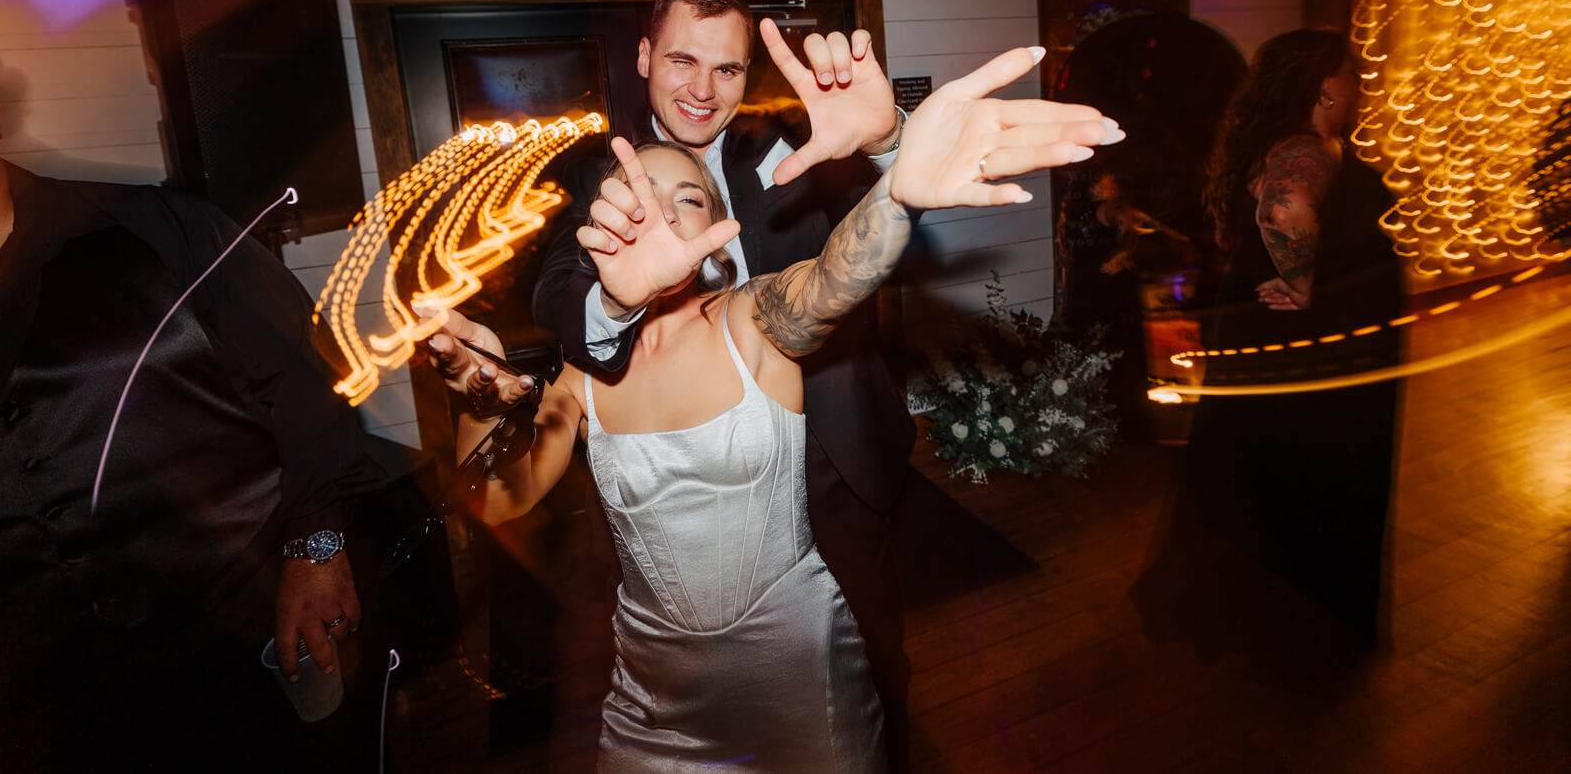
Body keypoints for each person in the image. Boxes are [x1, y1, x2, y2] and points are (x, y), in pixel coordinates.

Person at [429, 45, 1121, 769]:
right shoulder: (582, 377)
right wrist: (479, 396)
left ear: (717, 233)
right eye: (640, 195)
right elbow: (494, 500)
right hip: (649, 706)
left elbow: (828, 282)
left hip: (800, 678)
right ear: (601, 225)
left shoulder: (751, 319)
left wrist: (896, 194)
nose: (662, 215)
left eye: (687, 198)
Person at [530, 0, 921, 765]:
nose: (702, 89)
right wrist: (614, 302)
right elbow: (553, 291)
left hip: (835, 459)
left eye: (728, 70)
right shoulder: (593, 169)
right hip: (691, 479)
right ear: (643, 57)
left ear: (750, 76)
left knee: (874, 671)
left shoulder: (797, 144)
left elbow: (898, 209)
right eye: (681, 60)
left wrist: (887, 140)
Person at [0, 77, 384, 771]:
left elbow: (304, 378)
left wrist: (316, 547)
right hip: (29, 703)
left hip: (233, 647)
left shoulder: (155, 227)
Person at [1133, 30, 1402, 651]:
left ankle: (1282, 594)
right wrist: (1304, 286)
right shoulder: (1304, 147)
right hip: (1303, 334)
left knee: (1274, 464)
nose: (1357, 81)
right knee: (1299, 462)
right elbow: (1285, 208)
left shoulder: (1312, 141)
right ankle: (1287, 609)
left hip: (1298, 333)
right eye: (1349, 71)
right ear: (1324, 85)